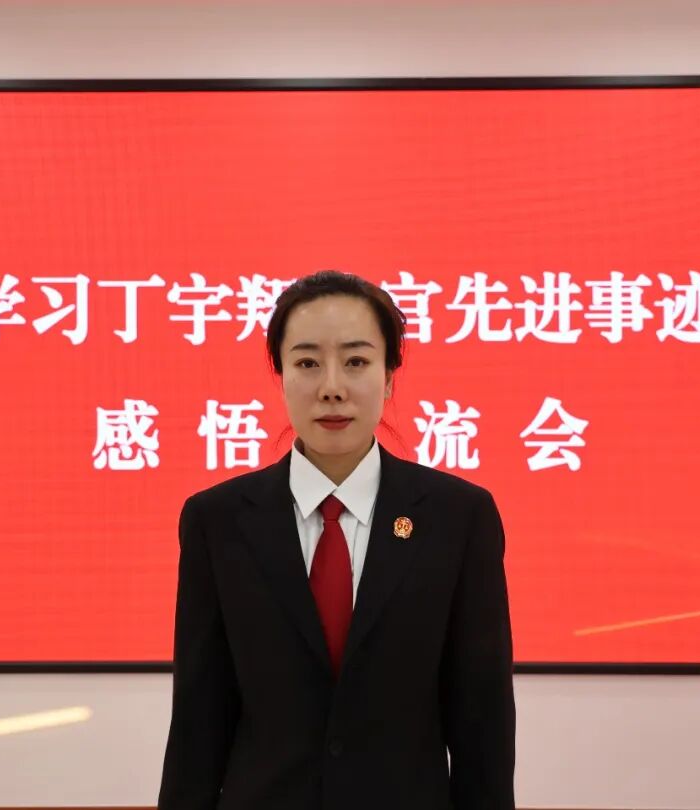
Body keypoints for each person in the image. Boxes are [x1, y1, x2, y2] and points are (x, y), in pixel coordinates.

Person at [159, 270, 515, 810]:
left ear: (389, 377)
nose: (332, 386)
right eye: (307, 363)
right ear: (280, 375)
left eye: (356, 362)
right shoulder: (219, 521)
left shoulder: (458, 517)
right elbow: (198, 718)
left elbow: (482, 720)